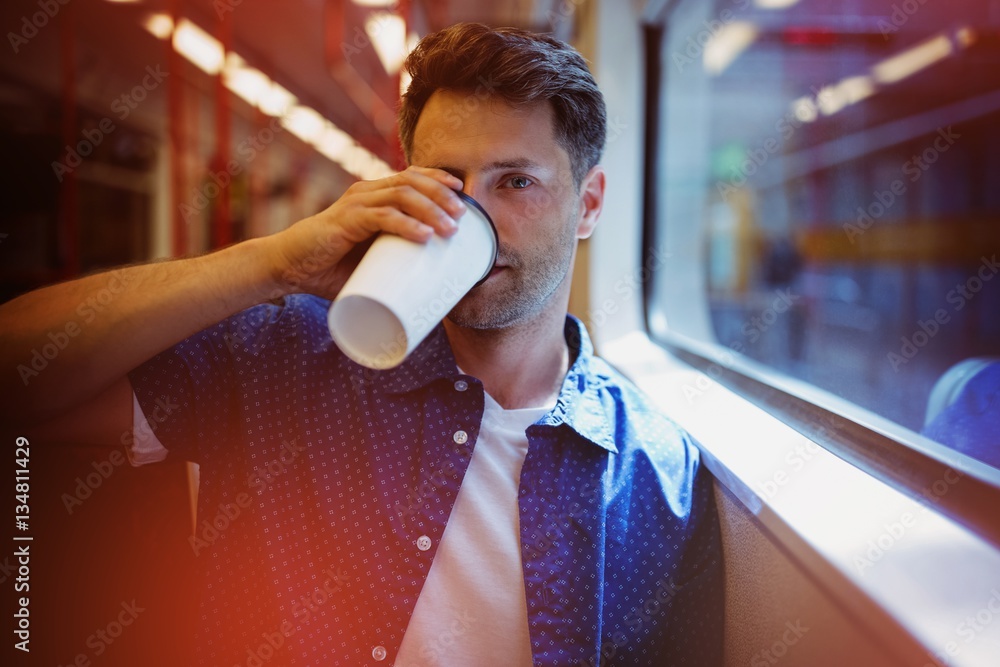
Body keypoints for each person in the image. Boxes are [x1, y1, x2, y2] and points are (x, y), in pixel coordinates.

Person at [0, 22, 723, 666]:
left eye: (516, 181)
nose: (474, 216)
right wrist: (273, 264)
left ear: (589, 204)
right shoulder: (284, 357)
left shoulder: (657, 476)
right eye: (446, 181)